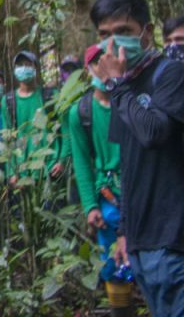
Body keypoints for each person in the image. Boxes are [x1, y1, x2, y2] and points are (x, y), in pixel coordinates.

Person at [88, 0, 184, 317]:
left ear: (147, 31)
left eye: (123, 32)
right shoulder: (125, 87)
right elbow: (128, 165)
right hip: (142, 244)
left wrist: (116, 85)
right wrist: (124, 233)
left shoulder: (170, 74)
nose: (113, 44)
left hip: (174, 240)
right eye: (104, 35)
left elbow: (154, 133)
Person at [72, 44, 135, 317]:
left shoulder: (133, 101)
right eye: (96, 61)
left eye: (106, 58)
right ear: (89, 69)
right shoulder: (81, 112)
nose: (102, 65)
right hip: (108, 195)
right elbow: (81, 162)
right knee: (113, 265)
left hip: (140, 190)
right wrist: (90, 206)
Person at [2, 50, 66, 184]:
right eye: (19, 65)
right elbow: (7, 138)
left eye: (28, 64)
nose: (23, 68)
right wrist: (12, 172)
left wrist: (62, 161)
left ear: (36, 69)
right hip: (21, 172)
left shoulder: (51, 95)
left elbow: (65, 132)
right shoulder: (8, 100)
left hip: (50, 168)